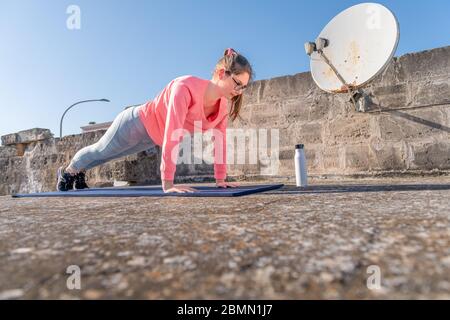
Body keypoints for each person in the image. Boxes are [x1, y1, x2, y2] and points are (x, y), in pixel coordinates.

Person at [56, 48, 253, 193]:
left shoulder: (223, 107)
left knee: (108, 156)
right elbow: (172, 134)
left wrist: (220, 179)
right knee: (100, 150)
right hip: (135, 123)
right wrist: (168, 184)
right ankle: (68, 171)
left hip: (150, 138)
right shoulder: (184, 87)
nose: (239, 91)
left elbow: (219, 141)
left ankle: (78, 173)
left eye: (243, 87)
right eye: (237, 83)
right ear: (221, 74)